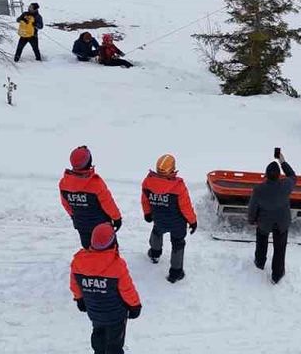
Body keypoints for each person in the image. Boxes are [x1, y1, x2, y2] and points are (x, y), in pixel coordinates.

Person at [70, 222, 141, 354]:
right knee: (115, 344)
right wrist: (135, 306)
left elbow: (75, 285)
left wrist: (79, 299)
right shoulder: (116, 265)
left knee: (98, 334)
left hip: (94, 312)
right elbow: (127, 290)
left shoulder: (78, 262)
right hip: (116, 315)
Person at [141, 153, 198, 283]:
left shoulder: (148, 182)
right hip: (177, 222)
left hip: (159, 218)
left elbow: (145, 200)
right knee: (178, 243)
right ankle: (176, 272)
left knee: (157, 232)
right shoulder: (178, 186)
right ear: (172, 169)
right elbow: (186, 207)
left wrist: (147, 213)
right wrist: (192, 221)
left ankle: (154, 254)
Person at [59, 145, 123, 249]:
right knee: (109, 251)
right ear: (89, 162)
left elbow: (66, 204)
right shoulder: (95, 183)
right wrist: (117, 218)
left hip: (82, 225)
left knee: (88, 249)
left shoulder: (64, 183)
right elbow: (108, 203)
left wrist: (75, 216)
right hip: (102, 228)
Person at [247, 152, 296, 284]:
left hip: (264, 223)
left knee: (261, 242)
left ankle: (259, 262)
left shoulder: (259, 190)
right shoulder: (286, 185)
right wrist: (283, 162)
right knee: (280, 249)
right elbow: (292, 176)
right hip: (282, 223)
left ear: (266, 175)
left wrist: (251, 220)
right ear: (279, 175)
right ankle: (277, 274)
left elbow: (252, 208)